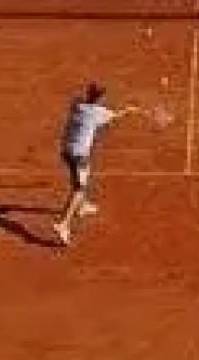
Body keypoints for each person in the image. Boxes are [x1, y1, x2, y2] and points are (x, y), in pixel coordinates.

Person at [53, 82, 138, 246]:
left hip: (66, 150)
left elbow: (84, 102)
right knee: (78, 189)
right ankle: (64, 224)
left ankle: (82, 206)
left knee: (79, 176)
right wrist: (129, 109)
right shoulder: (98, 113)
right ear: (101, 98)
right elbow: (116, 115)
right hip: (79, 156)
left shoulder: (76, 104)